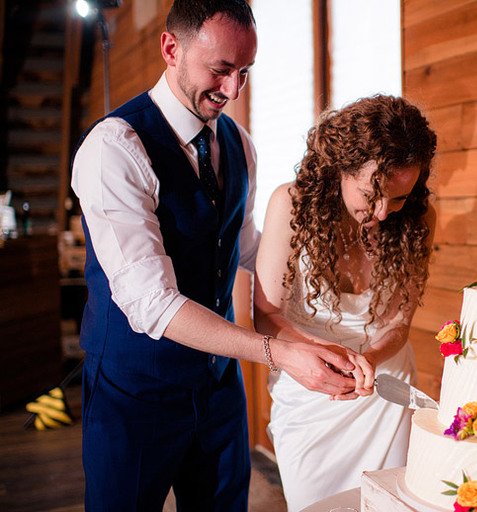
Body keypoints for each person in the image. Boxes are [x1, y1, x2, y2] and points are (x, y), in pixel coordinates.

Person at [70, 1, 366, 510]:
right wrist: (279, 354)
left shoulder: (239, 144)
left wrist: (326, 284)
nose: (233, 90)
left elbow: (243, 246)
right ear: (171, 49)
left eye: (245, 72)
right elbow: (152, 304)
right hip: (135, 389)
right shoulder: (114, 147)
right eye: (221, 69)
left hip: (218, 384)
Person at [254, 94, 438, 511]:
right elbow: (265, 314)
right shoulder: (290, 204)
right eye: (371, 194)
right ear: (341, 166)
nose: (383, 212)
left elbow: (399, 323)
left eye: (398, 198)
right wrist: (324, 354)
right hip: (309, 387)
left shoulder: (418, 221)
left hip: (384, 387)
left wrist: (369, 359)